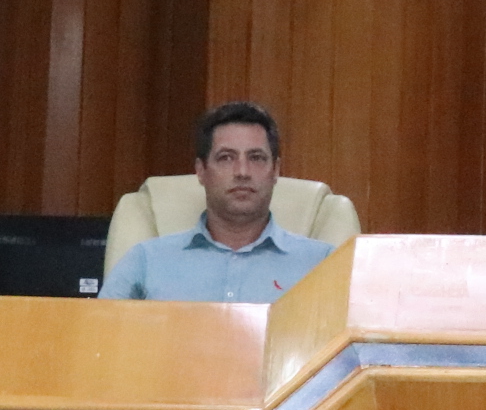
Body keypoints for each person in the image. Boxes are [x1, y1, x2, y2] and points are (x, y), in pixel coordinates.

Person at [104, 102, 335, 302]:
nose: (242, 172)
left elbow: (354, 341)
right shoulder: (146, 261)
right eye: (226, 158)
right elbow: (98, 334)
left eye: (256, 158)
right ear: (201, 170)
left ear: (275, 170)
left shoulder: (324, 264)